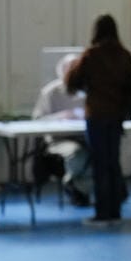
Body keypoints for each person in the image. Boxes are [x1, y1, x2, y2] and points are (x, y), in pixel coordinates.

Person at [64, 14, 131, 225]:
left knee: (99, 163)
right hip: (116, 116)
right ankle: (115, 210)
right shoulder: (124, 55)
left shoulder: (91, 55)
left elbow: (72, 81)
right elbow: (129, 84)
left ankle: (102, 212)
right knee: (113, 162)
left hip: (96, 114)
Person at [32, 53, 91, 206]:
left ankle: (81, 189)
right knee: (77, 153)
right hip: (59, 139)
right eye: (71, 69)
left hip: (84, 135)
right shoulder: (50, 92)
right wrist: (61, 116)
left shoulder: (86, 91)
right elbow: (38, 119)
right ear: (62, 71)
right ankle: (73, 185)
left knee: (99, 153)